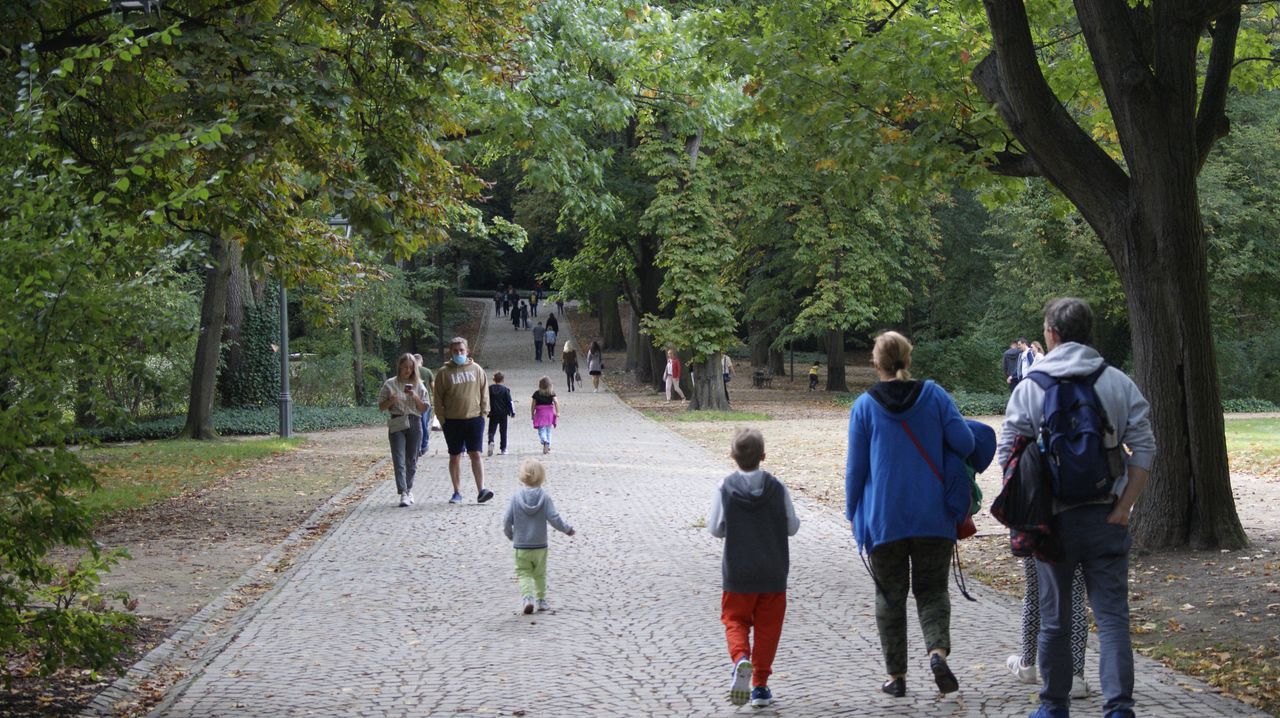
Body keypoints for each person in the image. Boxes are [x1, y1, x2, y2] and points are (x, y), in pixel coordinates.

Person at [998, 298, 1155, 718]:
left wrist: (1030, 511)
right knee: (1113, 619)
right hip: (1108, 516)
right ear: (1090, 333)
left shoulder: (1031, 386)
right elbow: (1144, 449)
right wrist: (1124, 506)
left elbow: (1007, 453)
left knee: (1055, 619)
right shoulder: (1118, 383)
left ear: (1051, 334)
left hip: (1054, 522)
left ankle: (1053, 707)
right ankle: (1119, 709)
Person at [845, 331, 975, 698]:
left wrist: (853, 514)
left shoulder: (864, 407)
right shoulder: (934, 396)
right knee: (932, 590)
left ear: (875, 363)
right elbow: (965, 443)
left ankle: (896, 677)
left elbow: (856, 471)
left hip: (884, 520)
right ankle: (936, 652)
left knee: (890, 597)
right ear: (909, 359)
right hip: (934, 517)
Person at [708, 428, 801, 708]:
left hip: (738, 573)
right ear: (763, 456)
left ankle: (741, 659)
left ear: (732, 456)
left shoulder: (725, 488)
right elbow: (792, 526)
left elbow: (715, 528)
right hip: (773, 572)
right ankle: (760, 686)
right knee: (767, 630)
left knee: (735, 620)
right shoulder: (778, 488)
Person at [502, 459, 575, 614]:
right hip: (540, 545)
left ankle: (528, 599)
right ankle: (541, 600)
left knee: (524, 573)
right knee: (540, 573)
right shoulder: (545, 498)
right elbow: (554, 518)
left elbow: (507, 520)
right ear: (542, 477)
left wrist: (511, 535)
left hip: (521, 545)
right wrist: (567, 529)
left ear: (522, 476)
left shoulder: (515, 498)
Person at [1008, 563, 1091, 698]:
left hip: (1042, 543)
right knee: (1075, 594)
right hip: (1076, 542)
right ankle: (1075, 677)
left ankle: (1027, 664)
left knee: (1034, 592)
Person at [433, 337, 495, 505]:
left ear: (467, 351)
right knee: (455, 456)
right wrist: (442, 419)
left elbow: (484, 393)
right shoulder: (443, 373)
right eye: (455, 351)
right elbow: (437, 398)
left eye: (461, 350)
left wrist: (484, 414)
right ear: (450, 352)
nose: (459, 353)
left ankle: (481, 489)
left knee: (475, 453)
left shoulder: (476, 370)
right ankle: (456, 491)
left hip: (474, 419)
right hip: (452, 421)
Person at [377, 354, 429, 507]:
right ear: (399, 366)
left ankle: (409, 488)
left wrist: (415, 397)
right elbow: (381, 406)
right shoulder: (390, 384)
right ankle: (403, 492)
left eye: (411, 367)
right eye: (405, 367)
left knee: (411, 458)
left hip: (414, 420)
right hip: (397, 420)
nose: (408, 370)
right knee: (398, 458)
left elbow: (425, 408)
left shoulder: (419, 384)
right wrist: (390, 401)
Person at [487, 371, 515, 457]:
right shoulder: (505, 390)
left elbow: (486, 399)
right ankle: (503, 449)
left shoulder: (489, 389)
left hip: (493, 412)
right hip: (503, 413)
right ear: (503, 380)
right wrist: (512, 412)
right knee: (503, 431)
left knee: (491, 430)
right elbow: (510, 402)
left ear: (493, 379)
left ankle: (491, 441)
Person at [412, 354, 435, 458]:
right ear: (421, 361)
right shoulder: (427, 371)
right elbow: (433, 388)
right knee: (424, 424)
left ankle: (417, 446)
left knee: (415, 425)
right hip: (425, 402)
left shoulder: (410, 371)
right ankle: (424, 445)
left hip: (412, 402)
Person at [531, 376, 559, 454]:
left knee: (541, 430)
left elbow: (533, 405)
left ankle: (545, 441)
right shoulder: (552, 393)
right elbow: (556, 402)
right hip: (549, 413)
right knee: (549, 430)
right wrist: (558, 412)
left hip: (540, 413)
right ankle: (548, 445)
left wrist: (532, 413)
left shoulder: (536, 393)